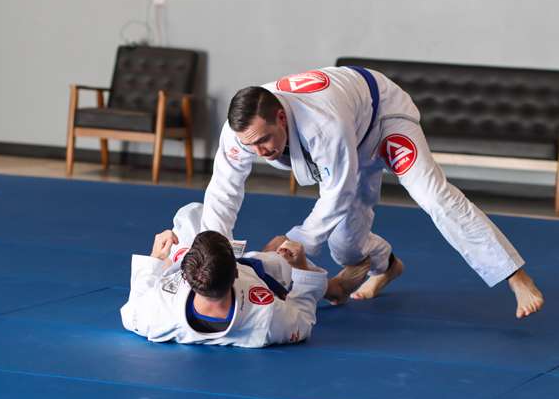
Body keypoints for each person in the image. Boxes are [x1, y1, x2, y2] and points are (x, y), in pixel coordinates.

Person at [200, 66, 544, 319]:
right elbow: (223, 191)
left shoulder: (321, 124)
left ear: (281, 117)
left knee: (433, 196)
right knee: (345, 247)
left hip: (382, 120)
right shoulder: (240, 133)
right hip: (345, 140)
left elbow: (338, 192)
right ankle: (388, 265)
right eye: (251, 145)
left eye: (265, 140)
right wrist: (210, 248)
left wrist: (296, 239)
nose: (260, 151)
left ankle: (516, 276)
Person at [120, 203, 369, 348]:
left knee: (191, 215)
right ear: (235, 271)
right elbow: (304, 320)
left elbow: (132, 308)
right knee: (282, 247)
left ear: (188, 276)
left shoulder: (155, 315)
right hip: (263, 277)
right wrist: (302, 267)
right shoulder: (267, 316)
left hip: (198, 277)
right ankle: (335, 289)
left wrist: (155, 257)